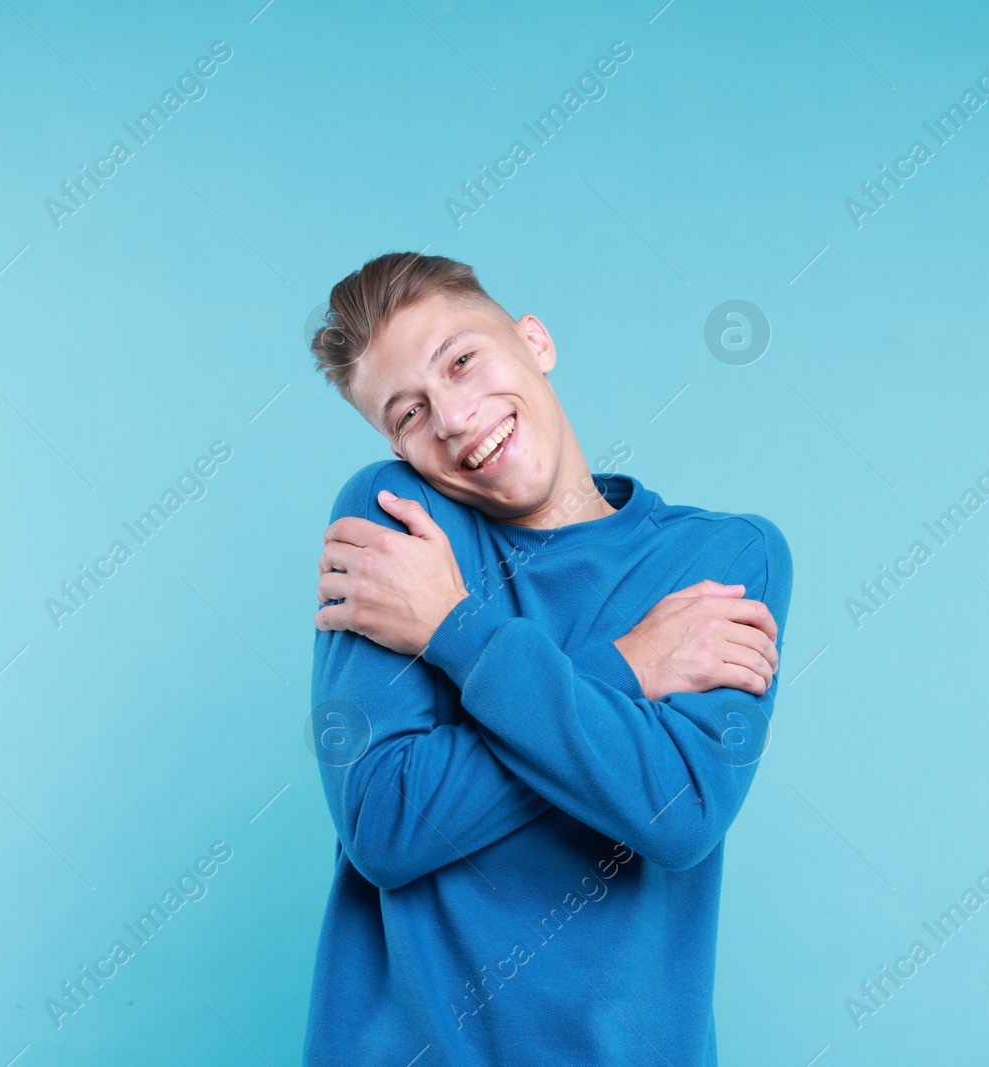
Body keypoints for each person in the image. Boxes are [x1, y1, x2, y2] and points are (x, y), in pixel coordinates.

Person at [303, 251, 793, 1065]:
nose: (453, 419)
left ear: (535, 340)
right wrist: (627, 666)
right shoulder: (398, 520)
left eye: (462, 361)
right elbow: (384, 822)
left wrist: (450, 629)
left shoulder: (723, 556)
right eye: (408, 415)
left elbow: (676, 813)